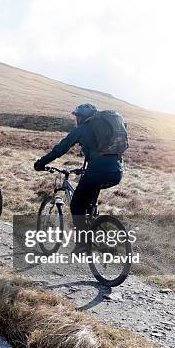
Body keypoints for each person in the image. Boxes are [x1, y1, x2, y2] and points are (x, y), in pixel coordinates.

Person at [34, 103, 128, 253]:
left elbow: (60, 149)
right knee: (89, 199)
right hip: (117, 172)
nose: (75, 120)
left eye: (76, 117)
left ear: (81, 117)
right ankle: (96, 227)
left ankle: (82, 244)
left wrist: (41, 163)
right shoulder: (105, 126)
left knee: (77, 205)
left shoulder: (82, 129)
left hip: (97, 171)